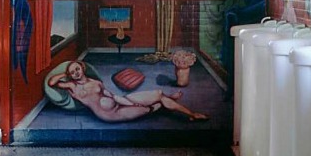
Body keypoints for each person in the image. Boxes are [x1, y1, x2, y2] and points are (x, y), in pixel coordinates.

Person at [51, 60, 207, 123]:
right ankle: (168, 103)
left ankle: (191, 114)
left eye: (77, 69)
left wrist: (131, 102)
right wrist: (65, 74)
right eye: (72, 72)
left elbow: (112, 96)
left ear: (82, 68)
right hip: (112, 114)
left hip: (120, 100)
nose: (76, 73)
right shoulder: (73, 86)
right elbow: (52, 82)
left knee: (158, 93)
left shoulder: (96, 82)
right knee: (153, 106)